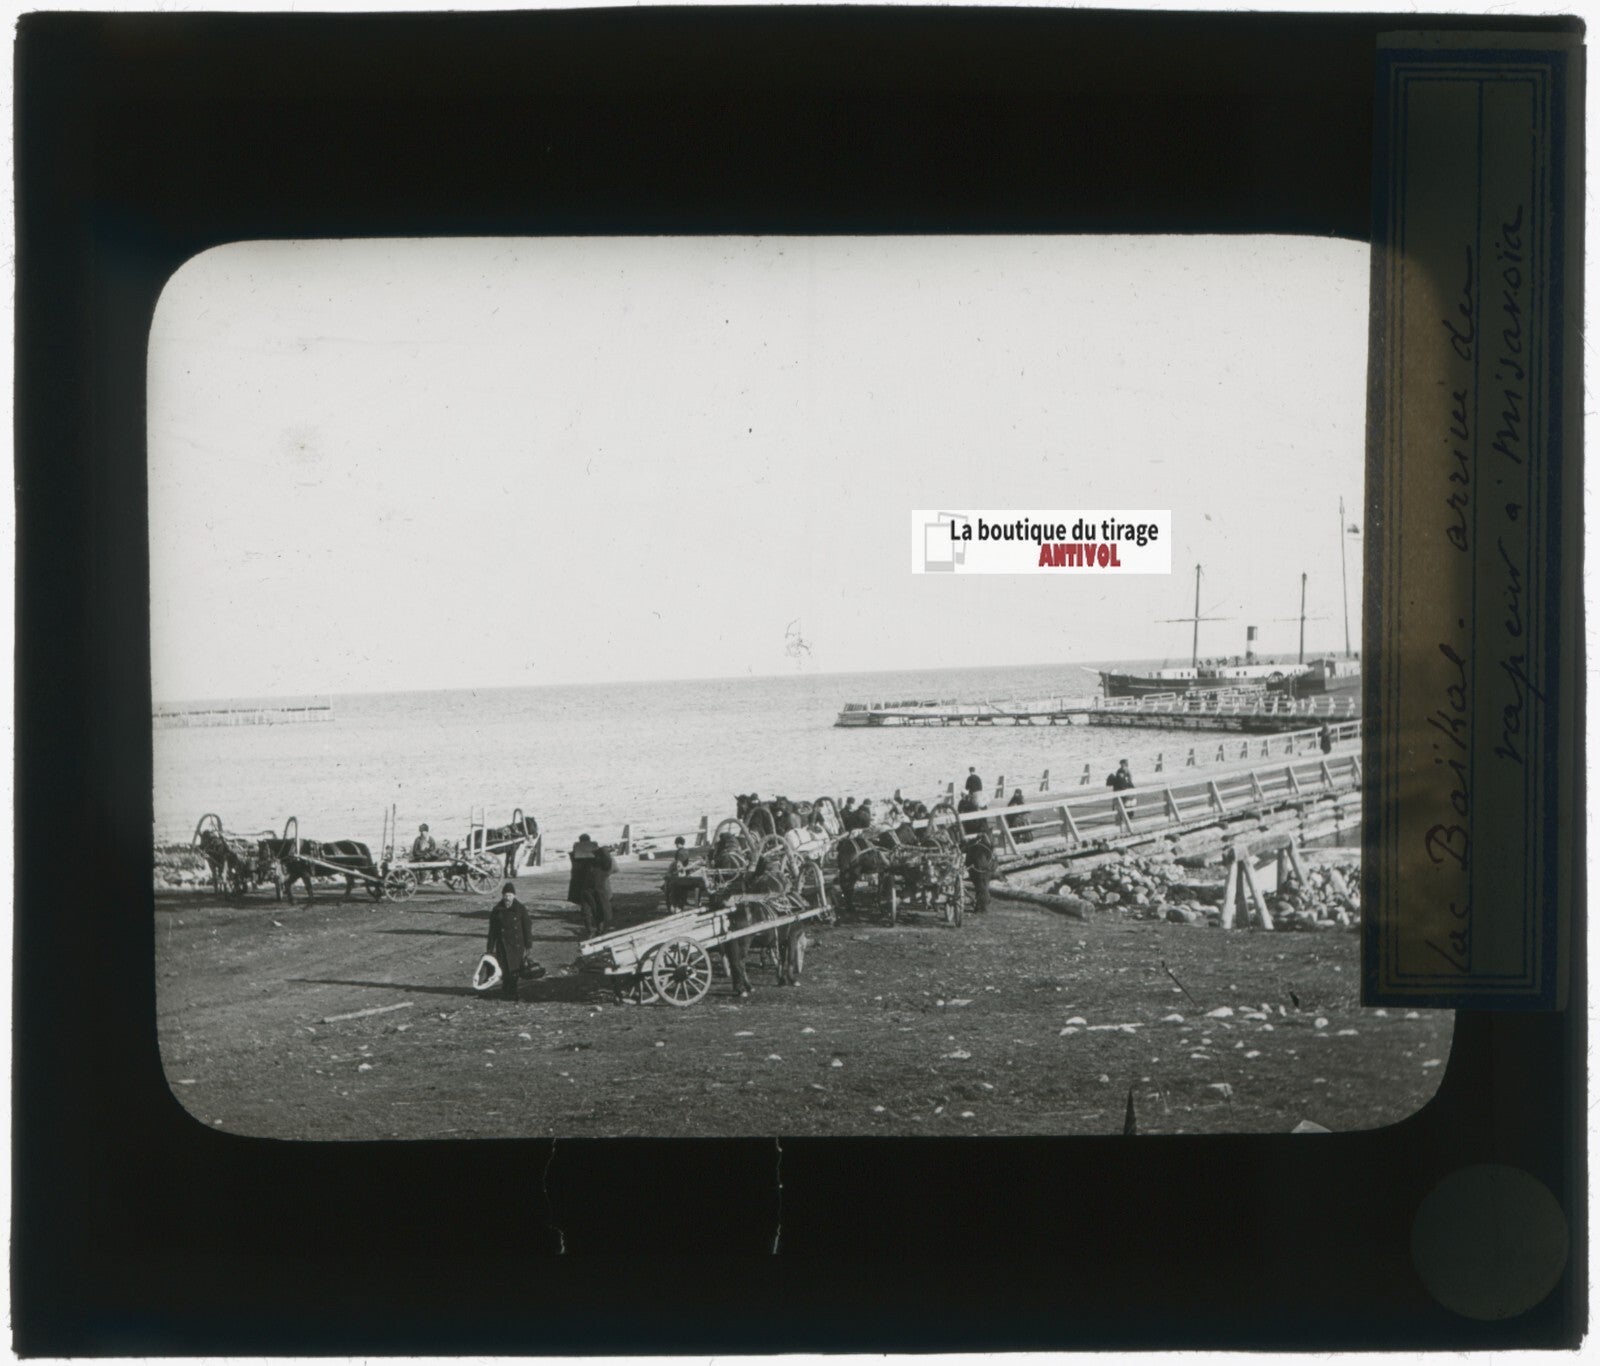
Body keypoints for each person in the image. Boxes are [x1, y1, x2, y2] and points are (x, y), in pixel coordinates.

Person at [485, 881, 542, 1000]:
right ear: (502, 896)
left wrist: (528, 945)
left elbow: (527, 928)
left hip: (517, 945)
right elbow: (493, 931)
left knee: (515, 970)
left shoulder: (520, 909)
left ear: (514, 896)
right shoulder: (497, 910)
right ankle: (506, 991)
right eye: (505, 895)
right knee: (504, 969)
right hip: (502, 945)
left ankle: (513, 992)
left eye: (510, 895)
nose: (507, 898)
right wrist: (490, 947)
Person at [664, 835, 709, 910]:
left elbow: (678, 864)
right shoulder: (686, 851)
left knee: (673, 886)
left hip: (681, 872)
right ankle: (683, 901)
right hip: (686, 872)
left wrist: (673, 872)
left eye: (677, 844)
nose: (676, 845)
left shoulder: (679, 852)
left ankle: (676, 904)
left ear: (678, 844)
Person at [568, 835, 598, 935]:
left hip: (581, 884)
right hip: (593, 883)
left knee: (586, 907)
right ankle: (598, 927)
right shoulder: (594, 854)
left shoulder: (575, 855)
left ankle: (589, 928)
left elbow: (575, 864)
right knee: (596, 905)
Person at [964, 834, 995, 914]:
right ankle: (982, 905)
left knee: (979, 886)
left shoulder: (971, 846)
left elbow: (963, 851)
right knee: (984, 887)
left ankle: (980, 905)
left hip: (974, 869)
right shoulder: (988, 847)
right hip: (984, 869)